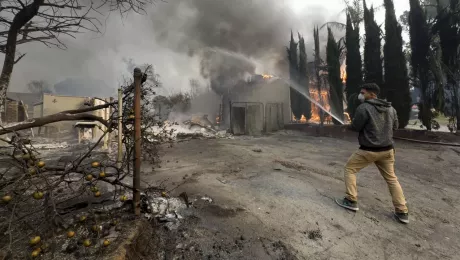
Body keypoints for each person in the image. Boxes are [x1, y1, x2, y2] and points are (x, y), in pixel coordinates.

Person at [335, 83, 409, 224]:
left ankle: (351, 200)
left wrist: (347, 126)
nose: (360, 95)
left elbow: (356, 126)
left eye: (363, 93)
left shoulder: (364, 108)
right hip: (387, 151)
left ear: (372, 94)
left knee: (349, 169)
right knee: (392, 179)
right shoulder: (390, 108)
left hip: (368, 151)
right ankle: (402, 211)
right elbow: (396, 126)